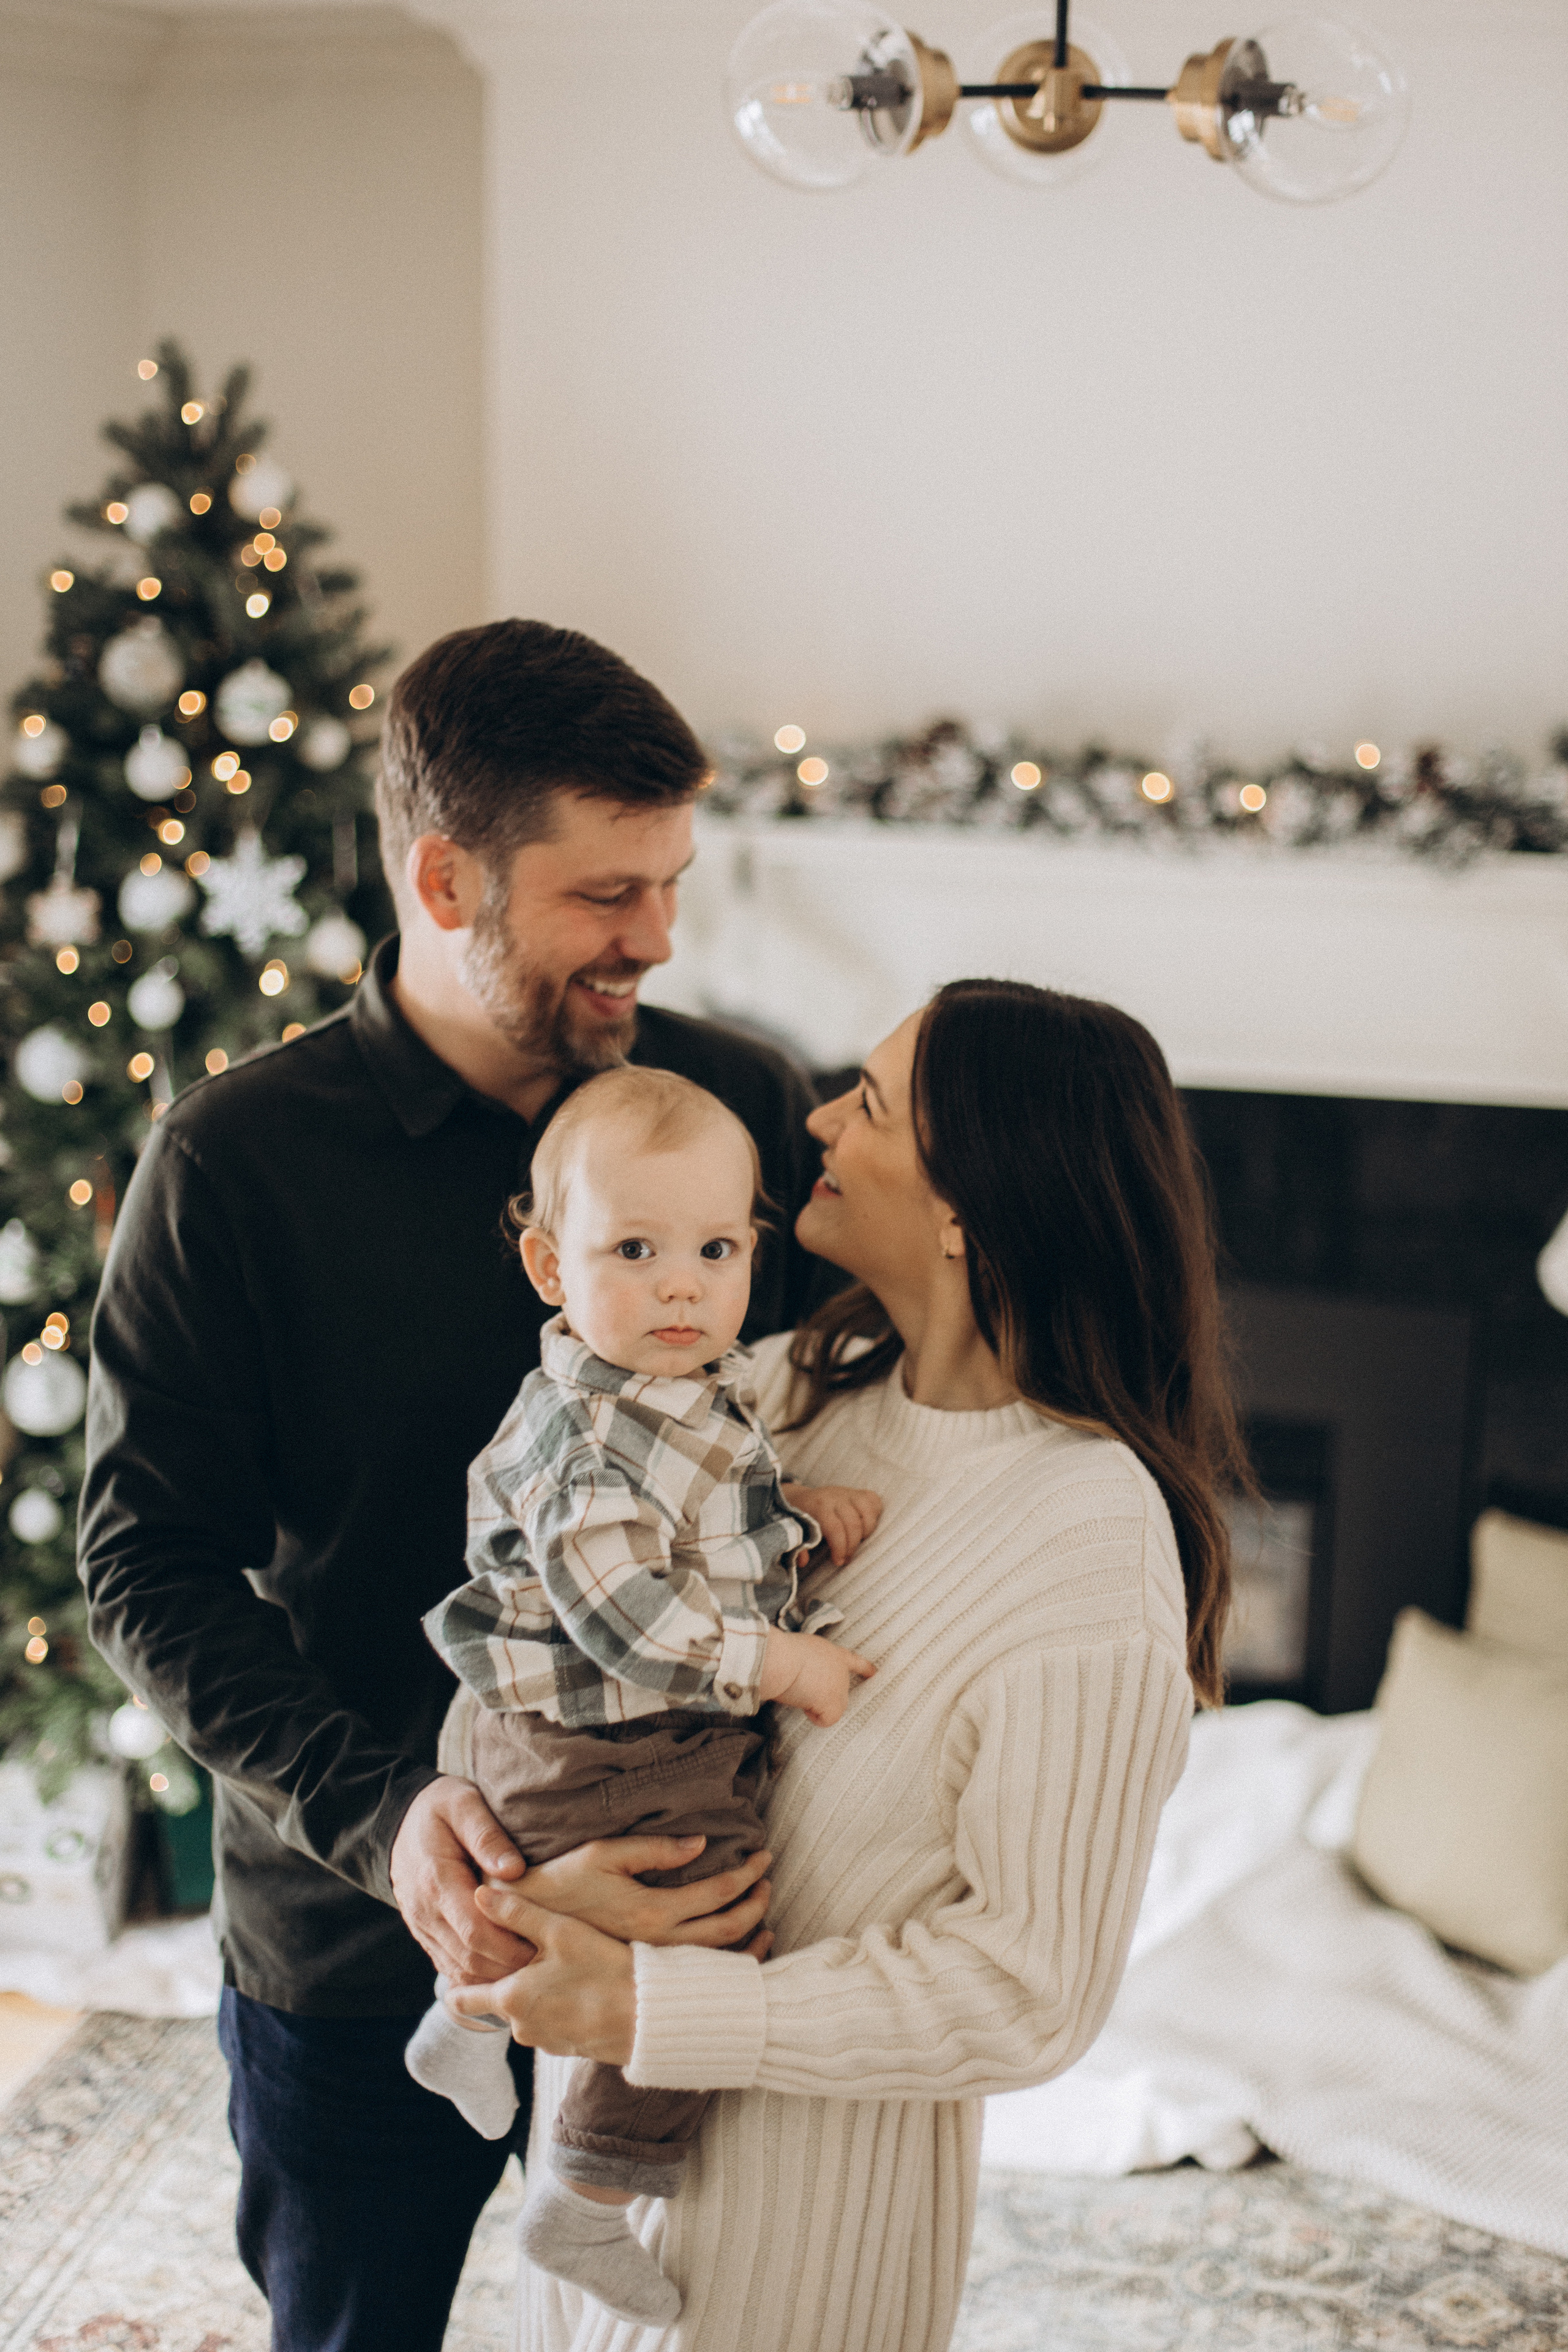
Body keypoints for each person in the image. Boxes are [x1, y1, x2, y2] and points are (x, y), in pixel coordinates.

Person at [78, 620, 838, 2352]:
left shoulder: (737, 1104)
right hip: (361, 1956)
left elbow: (833, 1427)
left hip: (694, 1925)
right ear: (443, 874)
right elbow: (148, 1567)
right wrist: (388, 1820)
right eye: (603, 896)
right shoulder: (232, 1166)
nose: (655, 938)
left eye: (671, 884)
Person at [442, 976, 1245, 2352]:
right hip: (592, 2221)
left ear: (962, 1206)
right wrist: (463, 1847)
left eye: (868, 1101)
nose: (816, 1114)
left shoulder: (1089, 1550)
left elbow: (1027, 1991)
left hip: (788, 2261)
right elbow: (548, 1633)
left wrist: (656, 2005)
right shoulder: (778, 1394)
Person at [406, 1065, 880, 2325]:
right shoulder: (587, 1443)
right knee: (704, 1933)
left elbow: (698, 1540)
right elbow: (640, 1626)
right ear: (550, 1270)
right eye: (635, 1248)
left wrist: (792, 1530)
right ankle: (589, 2195)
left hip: (564, 1730)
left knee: (663, 1917)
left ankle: (463, 2021)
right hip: (595, 1740)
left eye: (715, 1247)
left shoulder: (673, 1392)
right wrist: (785, 1663)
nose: (682, 1281)